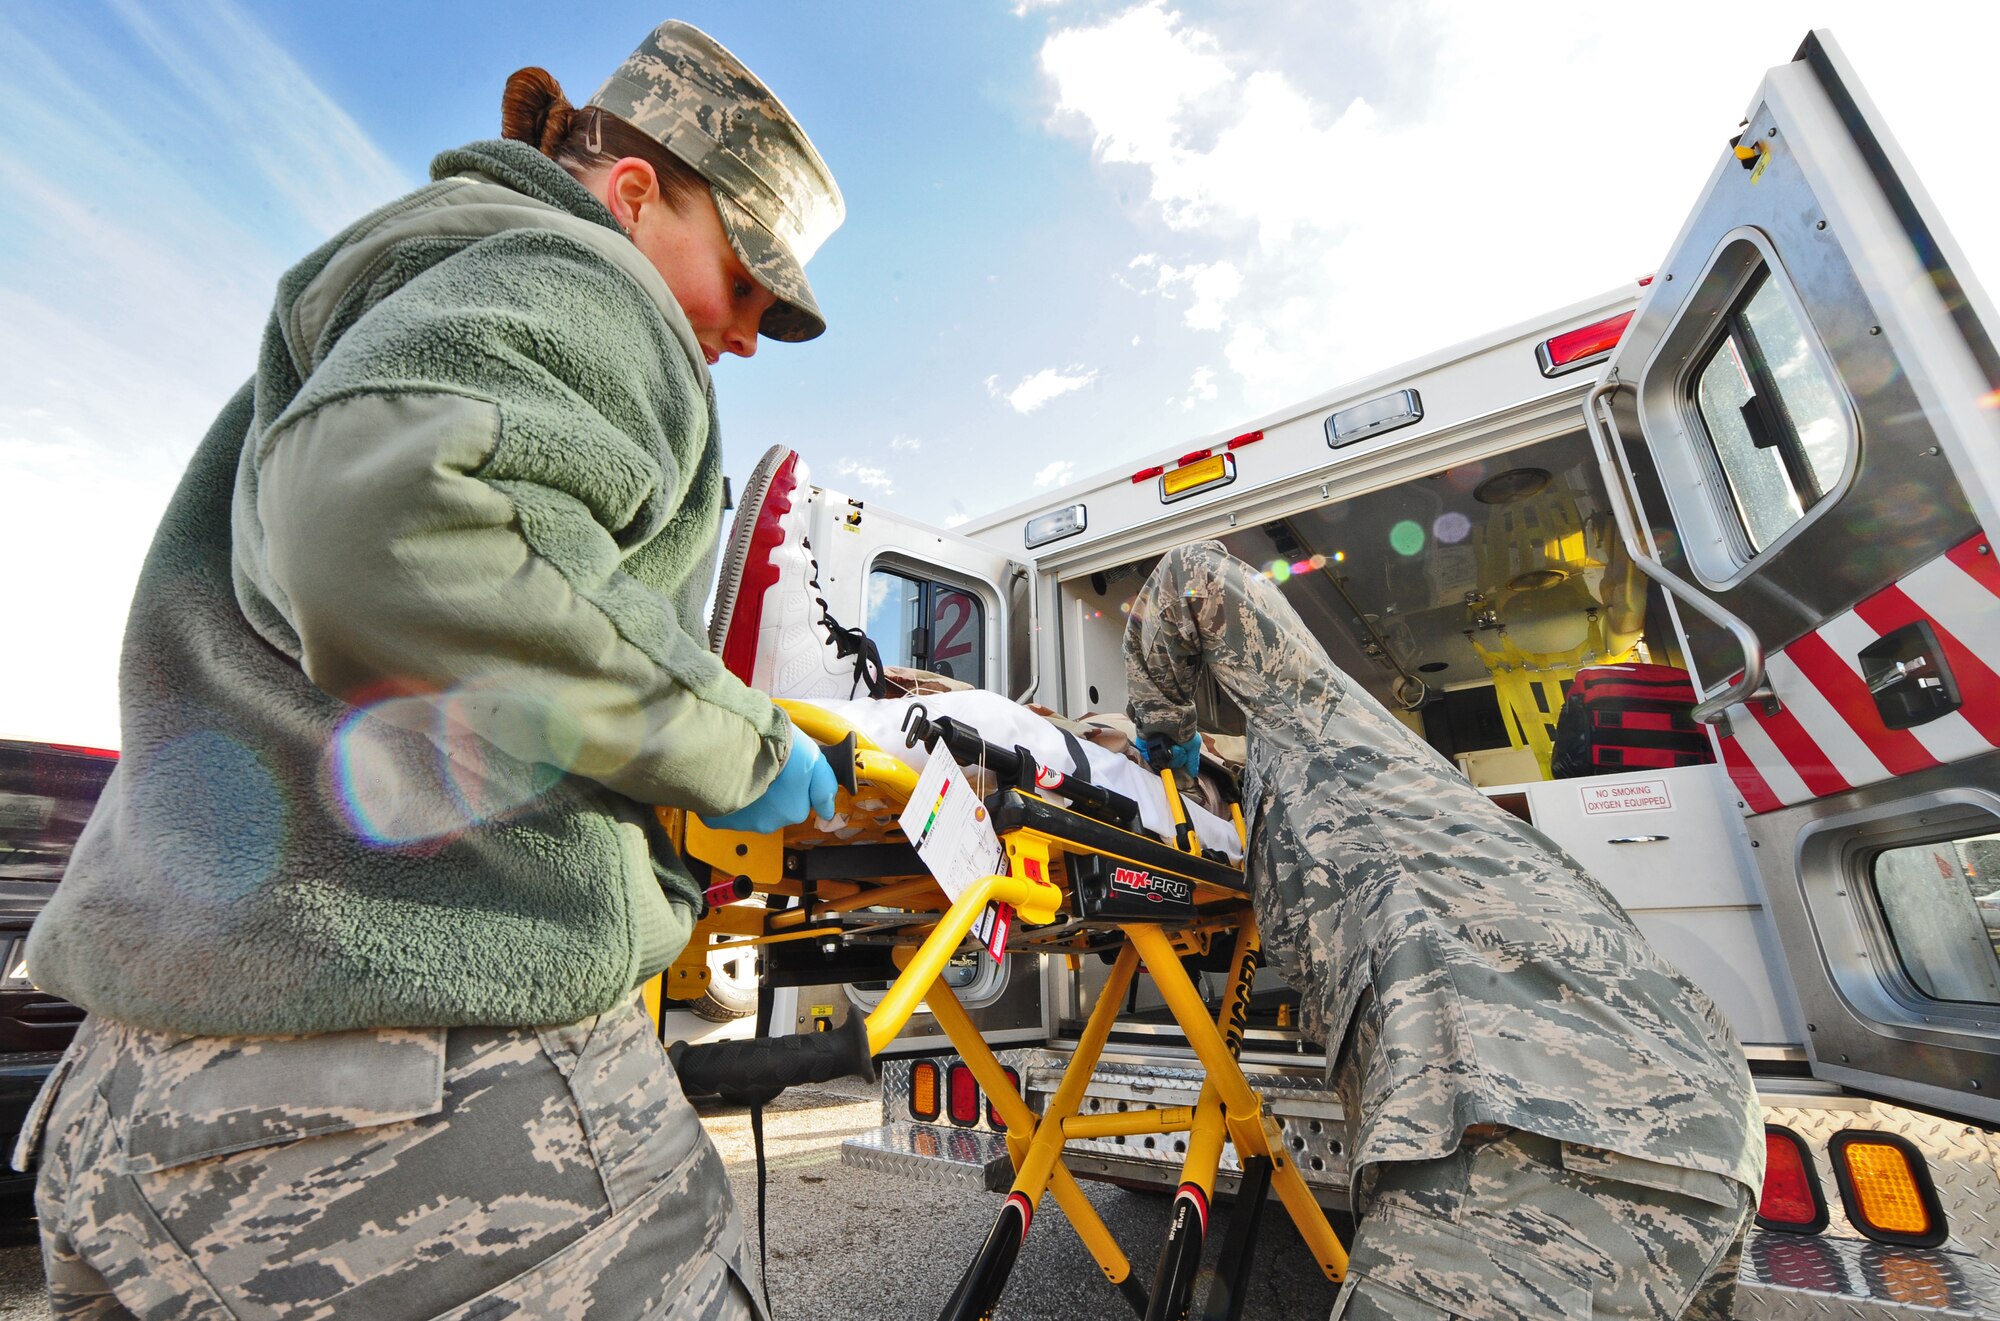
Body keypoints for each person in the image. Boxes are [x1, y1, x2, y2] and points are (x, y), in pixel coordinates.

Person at [16, 21, 843, 1319]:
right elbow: (395, 514)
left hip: (123, 1100)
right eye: (743, 283)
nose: (740, 335)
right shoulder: (584, 275)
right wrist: (738, 743)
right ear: (633, 192)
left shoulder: (406, 289)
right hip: (400, 1097)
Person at [1123, 542, 1763, 1321]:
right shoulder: (1424, 798)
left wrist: (1161, 721)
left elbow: (1193, 571)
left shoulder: (1312, 722)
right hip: (1699, 1109)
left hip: (1533, 1127)